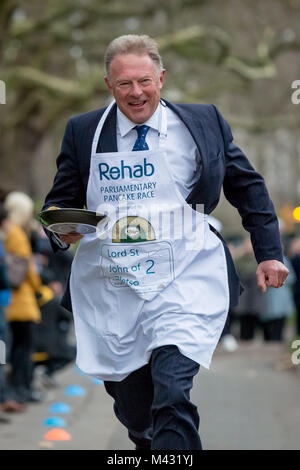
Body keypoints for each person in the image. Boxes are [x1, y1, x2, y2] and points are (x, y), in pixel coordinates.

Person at [43, 35, 289, 450]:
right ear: (109, 85)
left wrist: (268, 253)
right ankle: (148, 439)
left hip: (185, 274)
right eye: (124, 85)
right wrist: (61, 227)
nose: (136, 93)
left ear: (161, 77)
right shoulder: (83, 131)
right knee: (136, 407)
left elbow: (247, 186)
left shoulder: (203, 121)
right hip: (114, 282)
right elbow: (59, 202)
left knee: (173, 390)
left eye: (144, 81)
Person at [3, 192, 42, 408]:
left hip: (10, 303)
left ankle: (13, 392)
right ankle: (20, 391)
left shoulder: (6, 231)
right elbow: (27, 267)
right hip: (22, 303)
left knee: (10, 351)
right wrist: (38, 286)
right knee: (22, 351)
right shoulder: (17, 233)